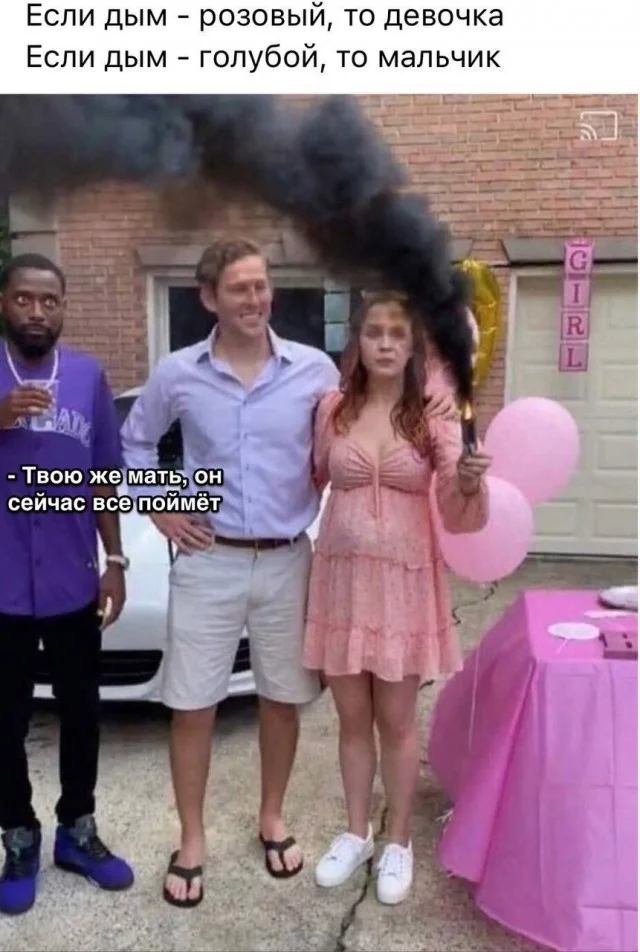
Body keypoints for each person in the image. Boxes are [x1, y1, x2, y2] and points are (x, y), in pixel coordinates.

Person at [119, 238, 343, 908]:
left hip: (287, 559)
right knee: (192, 704)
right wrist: (161, 508)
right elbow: (134, 442)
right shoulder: (178, 373)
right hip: (208, 560)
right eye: (239, 288)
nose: (254, 299)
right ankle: (192, 839)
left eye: (261, 285)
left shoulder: (313, 371)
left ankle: (271, 816)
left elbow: (345, 442)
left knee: (282, 698)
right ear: (209, 297)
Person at [303, 290, 491, 906]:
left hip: (405, 588)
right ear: (357, 341)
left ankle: (399, 841)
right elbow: (309, 480)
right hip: (341, 584)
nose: (385, 343)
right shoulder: (332, 409)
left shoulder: (431, 413)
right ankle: (356, 832)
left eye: (397, 334)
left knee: (398, 722)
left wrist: (470, 483)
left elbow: (458, 514)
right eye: (374, 332)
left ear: (413, 348)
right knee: (352, 720)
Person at [0, 253, 134, 916]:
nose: (37, 311)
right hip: (0, 588)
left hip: (71, 580)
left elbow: (104, 472)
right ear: (4, 302)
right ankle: (18, 835)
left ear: (62, 309)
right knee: (4, 720)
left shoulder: (86, 376)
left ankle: (76, 831)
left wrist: (116, 560)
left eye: (49, 301)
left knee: (82, 713)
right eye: (24, 298)